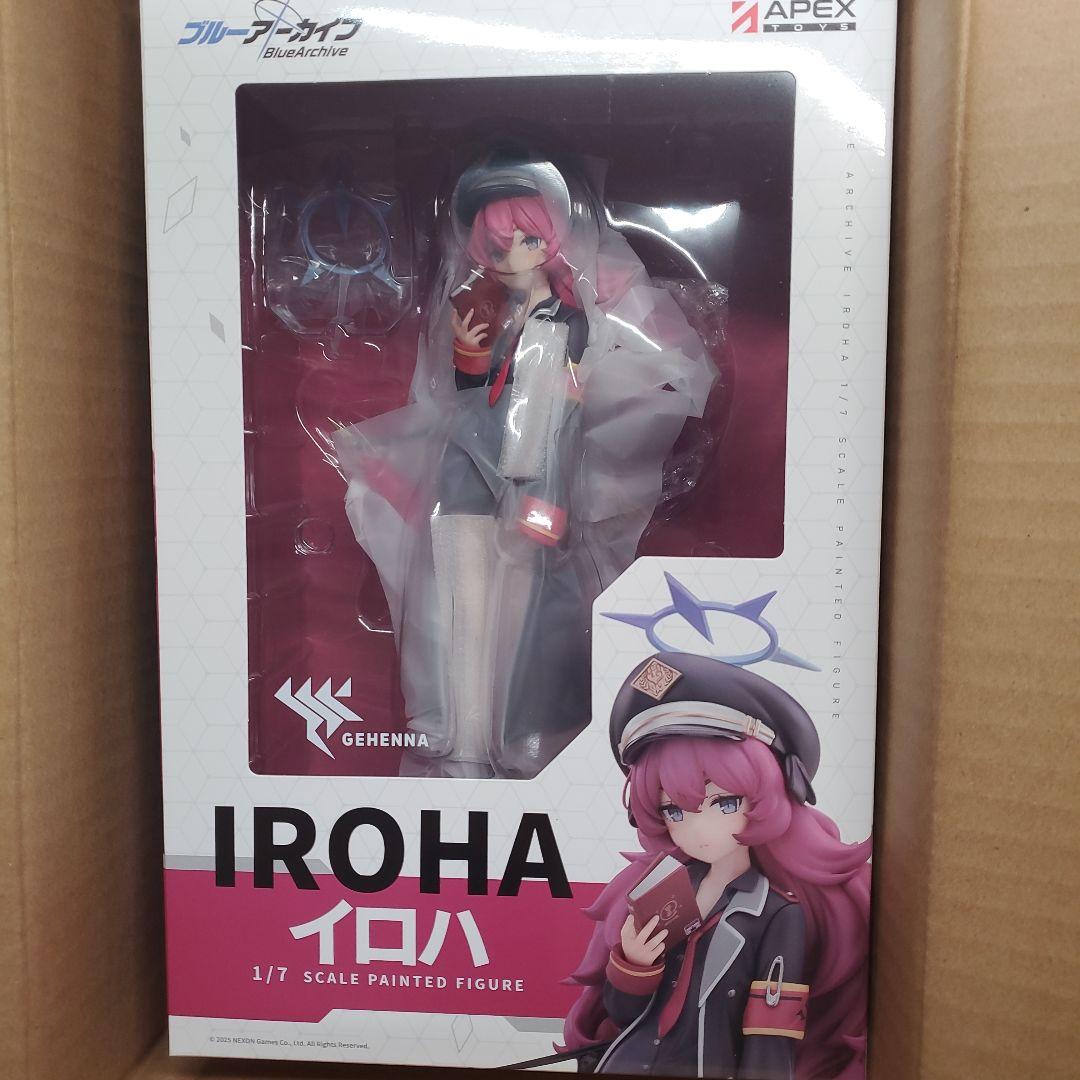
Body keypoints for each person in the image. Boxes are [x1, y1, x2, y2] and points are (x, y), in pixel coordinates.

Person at [562, 652, 871, 1079]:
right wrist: (634, 964)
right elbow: (624, 1012)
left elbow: (771, 1038)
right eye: (673, 811)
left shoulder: (778, 913)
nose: (699, 830)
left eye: (725, 803)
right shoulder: (666, 891)